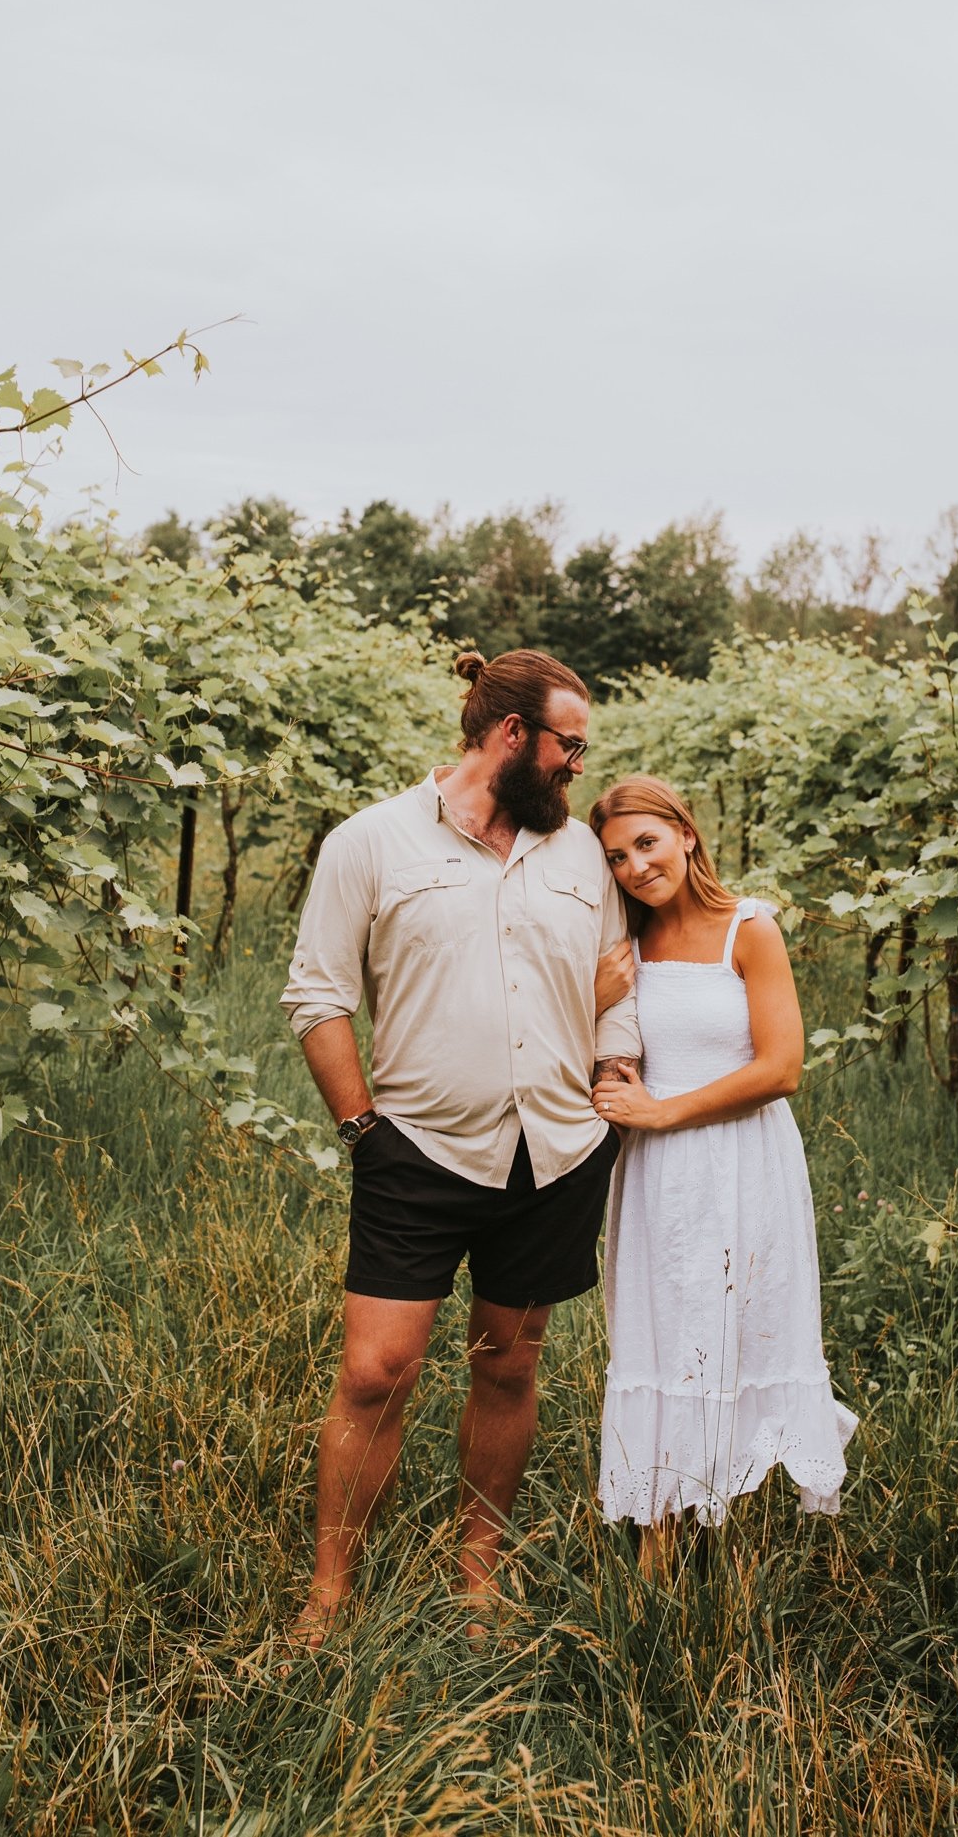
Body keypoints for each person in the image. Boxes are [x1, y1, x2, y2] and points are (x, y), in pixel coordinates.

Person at [281, 648, 640, 1641]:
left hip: (558, 1155)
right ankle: (331, 1590)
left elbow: (620, 980)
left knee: (508, 1363)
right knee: (375, 1371)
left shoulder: (580, 855)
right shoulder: (372, 842)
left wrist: (611, 1080)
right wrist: (362, 1126)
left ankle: (475, 1568)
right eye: (570, 744)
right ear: (512, 735)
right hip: (419, 1153)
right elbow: (318, 992)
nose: (580, 765)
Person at [587, 775, 855, 1568]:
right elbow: (598, 1061)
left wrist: (666, 1111)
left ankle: (723, 1520)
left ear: (686, 835)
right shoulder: (622, 945)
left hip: (742, 1160)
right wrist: (589, 996)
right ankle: (659, 1542)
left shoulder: (750, 928)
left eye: (647, 842)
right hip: (656, 1175)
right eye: (616, 856)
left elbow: (781, 1068)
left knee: (735, 1326)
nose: (635, 866)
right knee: (663, 1333)